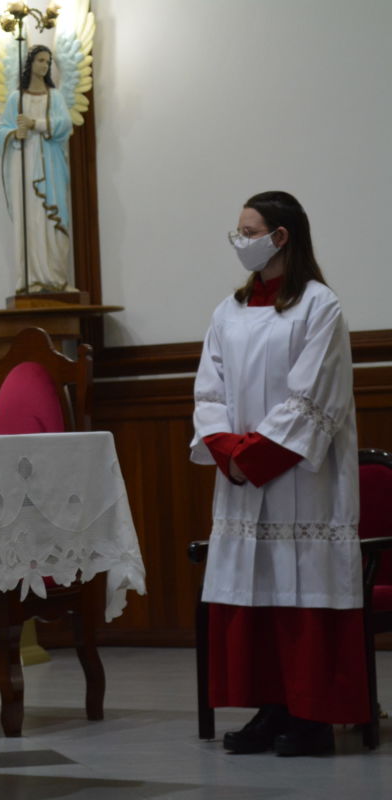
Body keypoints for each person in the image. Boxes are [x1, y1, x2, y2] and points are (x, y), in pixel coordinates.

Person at [190, 190, 364, 757]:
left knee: (301, 593)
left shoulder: (319, 306)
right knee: (257, 592)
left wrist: (255, 456)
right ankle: (272, 708)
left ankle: (312, 718)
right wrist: (229, 450)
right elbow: (208, 391)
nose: (239, 241)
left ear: (280, 236)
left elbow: (314, 398)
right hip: (244, 479)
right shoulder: (227, 311)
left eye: (248, 230)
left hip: (302, 481)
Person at [0, 44, 73, 294]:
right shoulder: (17, 98)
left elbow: (65, 125)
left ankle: (56, 278)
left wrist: (35, 123)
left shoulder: (56, 96)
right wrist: (14, 133)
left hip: (51, 165)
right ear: (31, 63)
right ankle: (31, 279)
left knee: (54, 217)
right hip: (26, 167)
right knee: (30, 218)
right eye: (40, 60)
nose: (45, 65)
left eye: (48, 61)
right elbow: (2, 129)